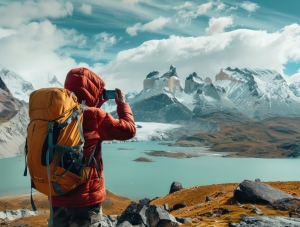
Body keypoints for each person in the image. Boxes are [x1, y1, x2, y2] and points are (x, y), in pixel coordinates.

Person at [51, 67, 136, 227]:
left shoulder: (54, 114)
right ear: (93, 90)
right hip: (85, 198)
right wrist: (122, 105)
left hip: (57, 193)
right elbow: (129, 130)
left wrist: (97, 102)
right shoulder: (95, 116)